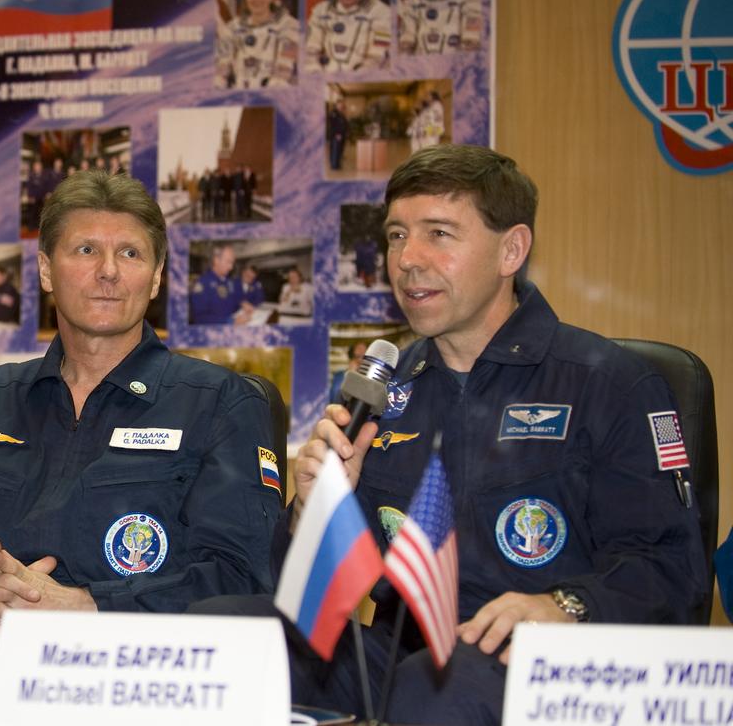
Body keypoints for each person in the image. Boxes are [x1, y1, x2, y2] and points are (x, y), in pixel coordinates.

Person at [288, 145, 703, 724]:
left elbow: (669, 570)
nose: (408, 259)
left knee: (437, 686)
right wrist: (316, 506)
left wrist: (567, 605)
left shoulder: (611, 384)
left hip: (550, 660)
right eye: (397, 235)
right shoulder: (379, 393)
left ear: (511, 249)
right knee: (249, 640)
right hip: (402, 652)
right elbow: (314, 587)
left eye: (438, 233)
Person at [0, 170, 282, 707]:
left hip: (138, 672)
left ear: (156, 278)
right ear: (46, 270)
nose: (108, 272)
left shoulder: (221, 404)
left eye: (131, 254)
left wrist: (85, 605)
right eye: (86, 249)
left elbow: (243, 577)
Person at [214, 0, 299, 89]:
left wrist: (269, 93)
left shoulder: (289, 26)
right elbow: (222, 66)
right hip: (239, 93)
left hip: (277, 92)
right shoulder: (232, 28)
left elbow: (285, 66)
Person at [304, 0, 392, 72]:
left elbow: (377, 57)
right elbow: (310, 52)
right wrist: (316, 76)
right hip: (323, 79)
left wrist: (357, 79)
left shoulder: (382, 13)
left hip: (365, 81)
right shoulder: (320, 11)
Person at [398, 0, 483, 55]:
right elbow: (405, 48)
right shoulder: (413, 3)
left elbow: (472, 46)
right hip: (419, 66)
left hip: (459, 66)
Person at [190, 243, 251, 325]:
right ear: (216, 260)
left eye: (232, 263)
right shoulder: (203, 283)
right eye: (228, 262)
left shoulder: (229, 282)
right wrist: (230, 322)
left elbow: (233, 302)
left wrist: (242, 303)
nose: (231, 267)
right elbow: (200, 318)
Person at [327, 102, 349, 171]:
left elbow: (344, 124)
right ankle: (334, 165)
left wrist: (345, 132)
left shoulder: (341, 113)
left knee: (339, 151)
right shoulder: (333, 113)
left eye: (341, 105)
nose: (341, 106)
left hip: (342, 135)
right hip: (336, 135)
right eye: (339, 105)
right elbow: (333, 124)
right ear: (336, 105)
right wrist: (337, 134)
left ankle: (337, 164)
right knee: (335, 151)